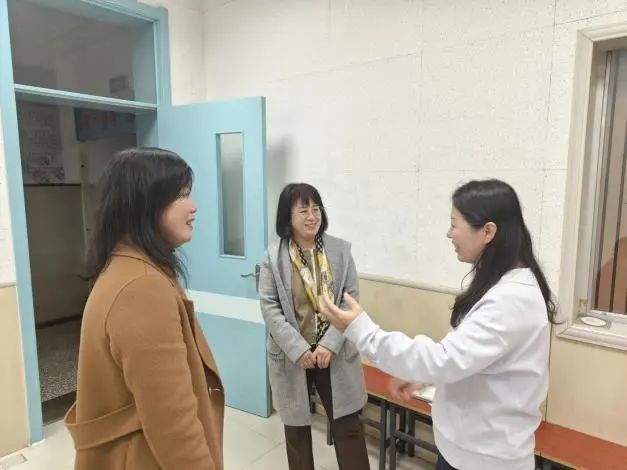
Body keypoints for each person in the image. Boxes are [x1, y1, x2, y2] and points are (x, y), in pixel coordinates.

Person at [319, 179, 557, 470]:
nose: (449, 233)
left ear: (488, 231)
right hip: (464, 450)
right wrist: (427, 377)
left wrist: (361, 330)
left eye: (454, 224)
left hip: (484, 460)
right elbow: (465, 358)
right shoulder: (500, 284)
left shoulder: (512, 300)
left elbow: (443, 359)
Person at [64, 147, 224, 470]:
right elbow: (174, 424)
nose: (193, 207)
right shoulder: (142, 287)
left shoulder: (129, 268)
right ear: (145, 203)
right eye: (181, 196)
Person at [258, 183, 370, 470]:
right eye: (303, 210)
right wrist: (297, 349)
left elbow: (349, 300)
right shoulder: (273, 257)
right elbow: (270, 308)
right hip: (294, 355)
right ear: (287, 216)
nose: (312, 216)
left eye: (316, 209)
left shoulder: (340, 251)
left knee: (348, 425)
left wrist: (329, 344)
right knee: (296, 429)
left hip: (334, 352)